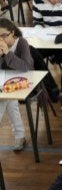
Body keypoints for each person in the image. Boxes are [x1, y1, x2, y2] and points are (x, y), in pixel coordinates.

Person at [0, 19, 33, 151]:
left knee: (3, 101)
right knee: (10, 102)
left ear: (12, 33)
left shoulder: (21, 43)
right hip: (5, 82)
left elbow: (26, 67)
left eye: (3, 35)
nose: (1, 39)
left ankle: (20, 135)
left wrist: (7, 53)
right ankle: (20, 135)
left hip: (24, 81)